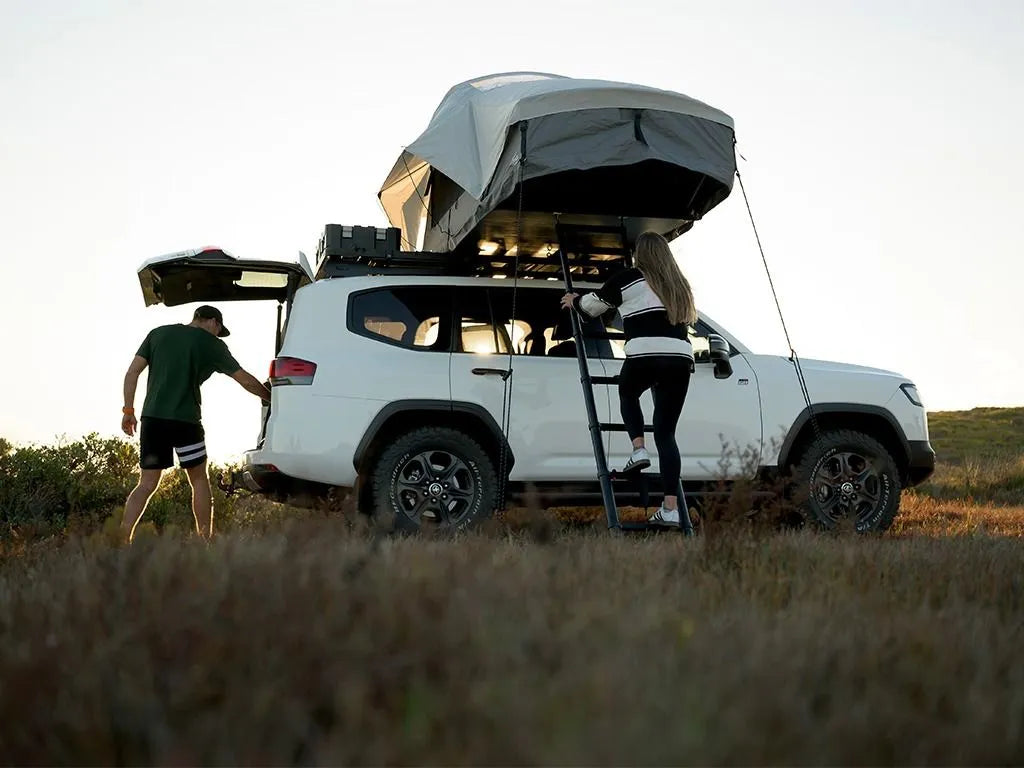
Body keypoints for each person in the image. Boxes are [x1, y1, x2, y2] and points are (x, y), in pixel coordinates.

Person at [560, 231, 696, 527]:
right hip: (680, 360)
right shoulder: (679, 285)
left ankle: (638, 449)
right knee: (667, 434)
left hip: (645, 352)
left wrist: (574, 300)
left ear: (641, 254)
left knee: (628, 393)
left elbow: (594, 306)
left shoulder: (630, 278)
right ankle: (670, 508)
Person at [120, 305, 270, 542]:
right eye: (218, 330)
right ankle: (204, 541)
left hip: (153, 420)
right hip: (185, 421)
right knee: (199, 480)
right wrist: (270, 397)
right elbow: (244, 379)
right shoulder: (212, 344)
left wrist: (129, 410)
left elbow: (132, 373)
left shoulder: (157, 333)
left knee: (147, 483)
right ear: (213, 322)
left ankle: (121, 539)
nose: (217, 335)